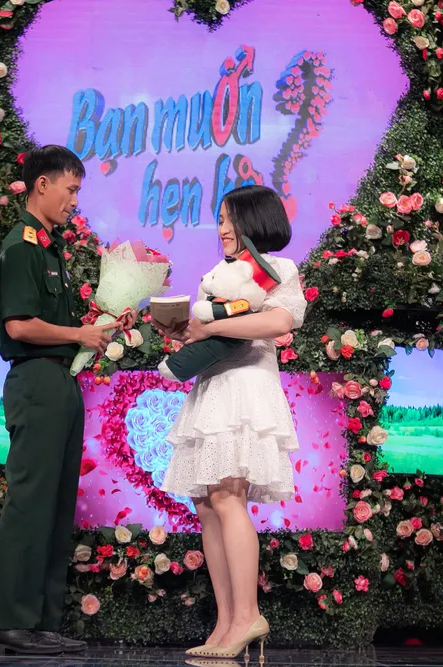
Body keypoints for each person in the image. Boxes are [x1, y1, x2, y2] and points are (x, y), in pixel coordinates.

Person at [158, 185, 308, 660]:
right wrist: (185, 332)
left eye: (228, 219)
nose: (221, 228)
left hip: (245, 390)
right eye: (220, 219)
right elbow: (213, 331)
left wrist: (212, 326)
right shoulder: (219, 275)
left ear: (253, 220)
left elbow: (277, 322)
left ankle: (248, 616)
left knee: (227, 497)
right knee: (207, 504)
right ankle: (225, 622)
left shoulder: (277, 269)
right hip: (212, 389)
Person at [0, 145, 122, 654]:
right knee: (31, 501)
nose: (74, 200)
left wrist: (99, 328)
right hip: (36, 379)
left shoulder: (49, 246)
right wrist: (80, 334)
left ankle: (42, 621)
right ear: (42, 184)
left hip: (60, 379)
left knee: (57, 504)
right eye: (71, 189)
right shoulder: (21, 246)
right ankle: (11, 619)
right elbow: (20, 325)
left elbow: (57, 326)